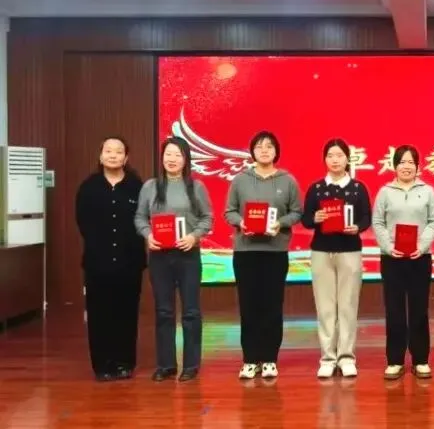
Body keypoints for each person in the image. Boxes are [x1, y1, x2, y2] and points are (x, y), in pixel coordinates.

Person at [224, 131, 303, 380]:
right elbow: (229, 211)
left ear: (276, 151)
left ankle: (269, 358)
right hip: (246, 251)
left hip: (275, 252)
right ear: (252, 152)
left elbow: (297, 212)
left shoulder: (287, 180)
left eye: (269, 146)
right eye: (259, 146)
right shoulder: (240, 180)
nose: (264, 150)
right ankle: (250, 359)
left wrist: (280, 223)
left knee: (272, 305)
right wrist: (241, 222)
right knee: (249, 306)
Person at [134, 136, 213, 382]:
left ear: (185, 159)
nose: (172, 159)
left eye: (177, 155)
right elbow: (140, 217)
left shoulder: (196, 187)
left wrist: (194, 236)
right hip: (159, 257)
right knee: (164, 311)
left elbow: (207, 219)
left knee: (191, 311)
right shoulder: (150, 187)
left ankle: (191, 365)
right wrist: (148, 235)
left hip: (188, 256)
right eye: (168, 154)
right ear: (162, 157)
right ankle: (166, 364)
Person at [75, 136, 146, 382]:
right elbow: (82, 222)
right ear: (101, 156)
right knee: (99, 314)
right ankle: (102, 365)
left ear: (126, 157)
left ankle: (125, 363)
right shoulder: (89, 187)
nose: (113, 155)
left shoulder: (137, 186)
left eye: (118, 151)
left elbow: (144, 219)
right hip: (98, 263)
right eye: (108, 151)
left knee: (127, 313)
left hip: (130, 262)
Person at [301, 138, 372, 379]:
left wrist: (358, 228)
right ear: (325, 159)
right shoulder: (316, 189)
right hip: (322, 252)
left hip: (350, 251)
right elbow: (305, 219)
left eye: (339, 155)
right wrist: (316, 218)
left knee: (348, 306)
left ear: (347, 159)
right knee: (325, 307)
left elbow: (366, 217)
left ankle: (347, 357)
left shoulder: (358, 188)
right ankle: (327, 358)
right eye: (330, 155)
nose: (335, 160)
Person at [372, 145, 434, 380]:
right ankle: (395, 360)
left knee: (419, 309)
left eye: (411, 162)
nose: (407, 166)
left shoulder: (428, 191)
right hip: (392, 258)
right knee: (394, 310)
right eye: (402, 162)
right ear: (395, 166)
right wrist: (388, 246)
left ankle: (421, 359)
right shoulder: (385, 192)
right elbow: (378, 222)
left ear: (418, 167)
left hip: (420, 258)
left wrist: (422, 246)